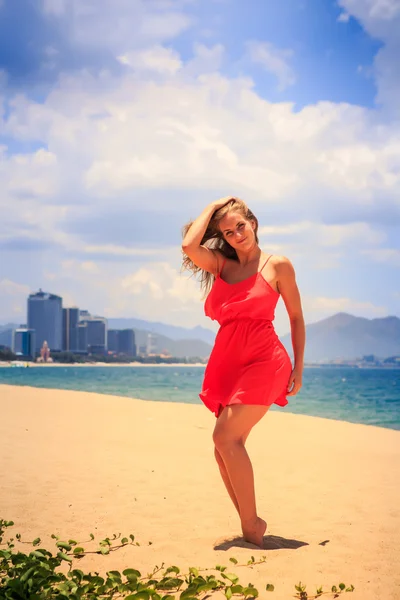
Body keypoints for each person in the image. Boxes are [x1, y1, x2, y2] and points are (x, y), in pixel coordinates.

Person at [181, 196, 305, 548]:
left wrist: (299, 366)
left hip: (266, 361)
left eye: (241, 225)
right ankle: (251, 524)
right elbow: (190, 244)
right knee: (222, 448)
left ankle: (251, 526)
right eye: (227, 231)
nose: (237, 234)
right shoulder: (222, 265)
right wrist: (216, 203)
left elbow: (295, 317)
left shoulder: (277, 265)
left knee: (225, 438)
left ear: (254, 223)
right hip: (228, 362)